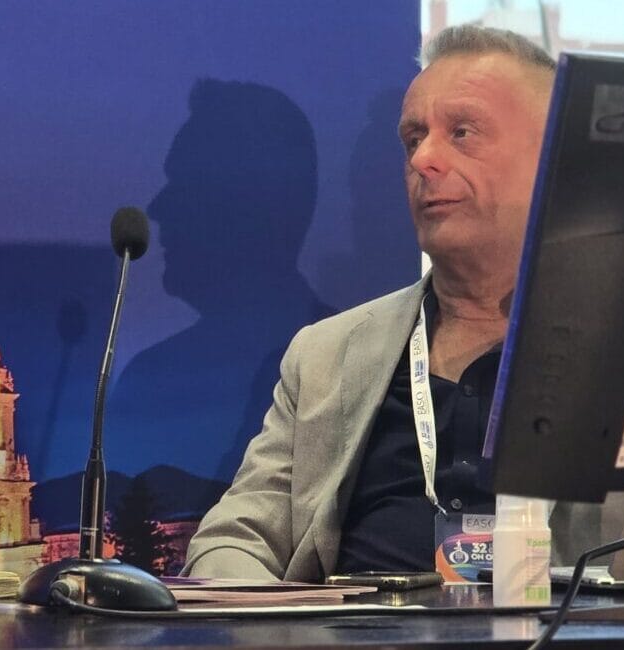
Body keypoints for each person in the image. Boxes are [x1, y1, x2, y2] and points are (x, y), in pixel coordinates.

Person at [183, 25, 576, 580]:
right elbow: (235, 537)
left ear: (556, 159)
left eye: (462, 132)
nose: (424, 160)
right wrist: (269, 627)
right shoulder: (327, 355)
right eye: (414, 138)